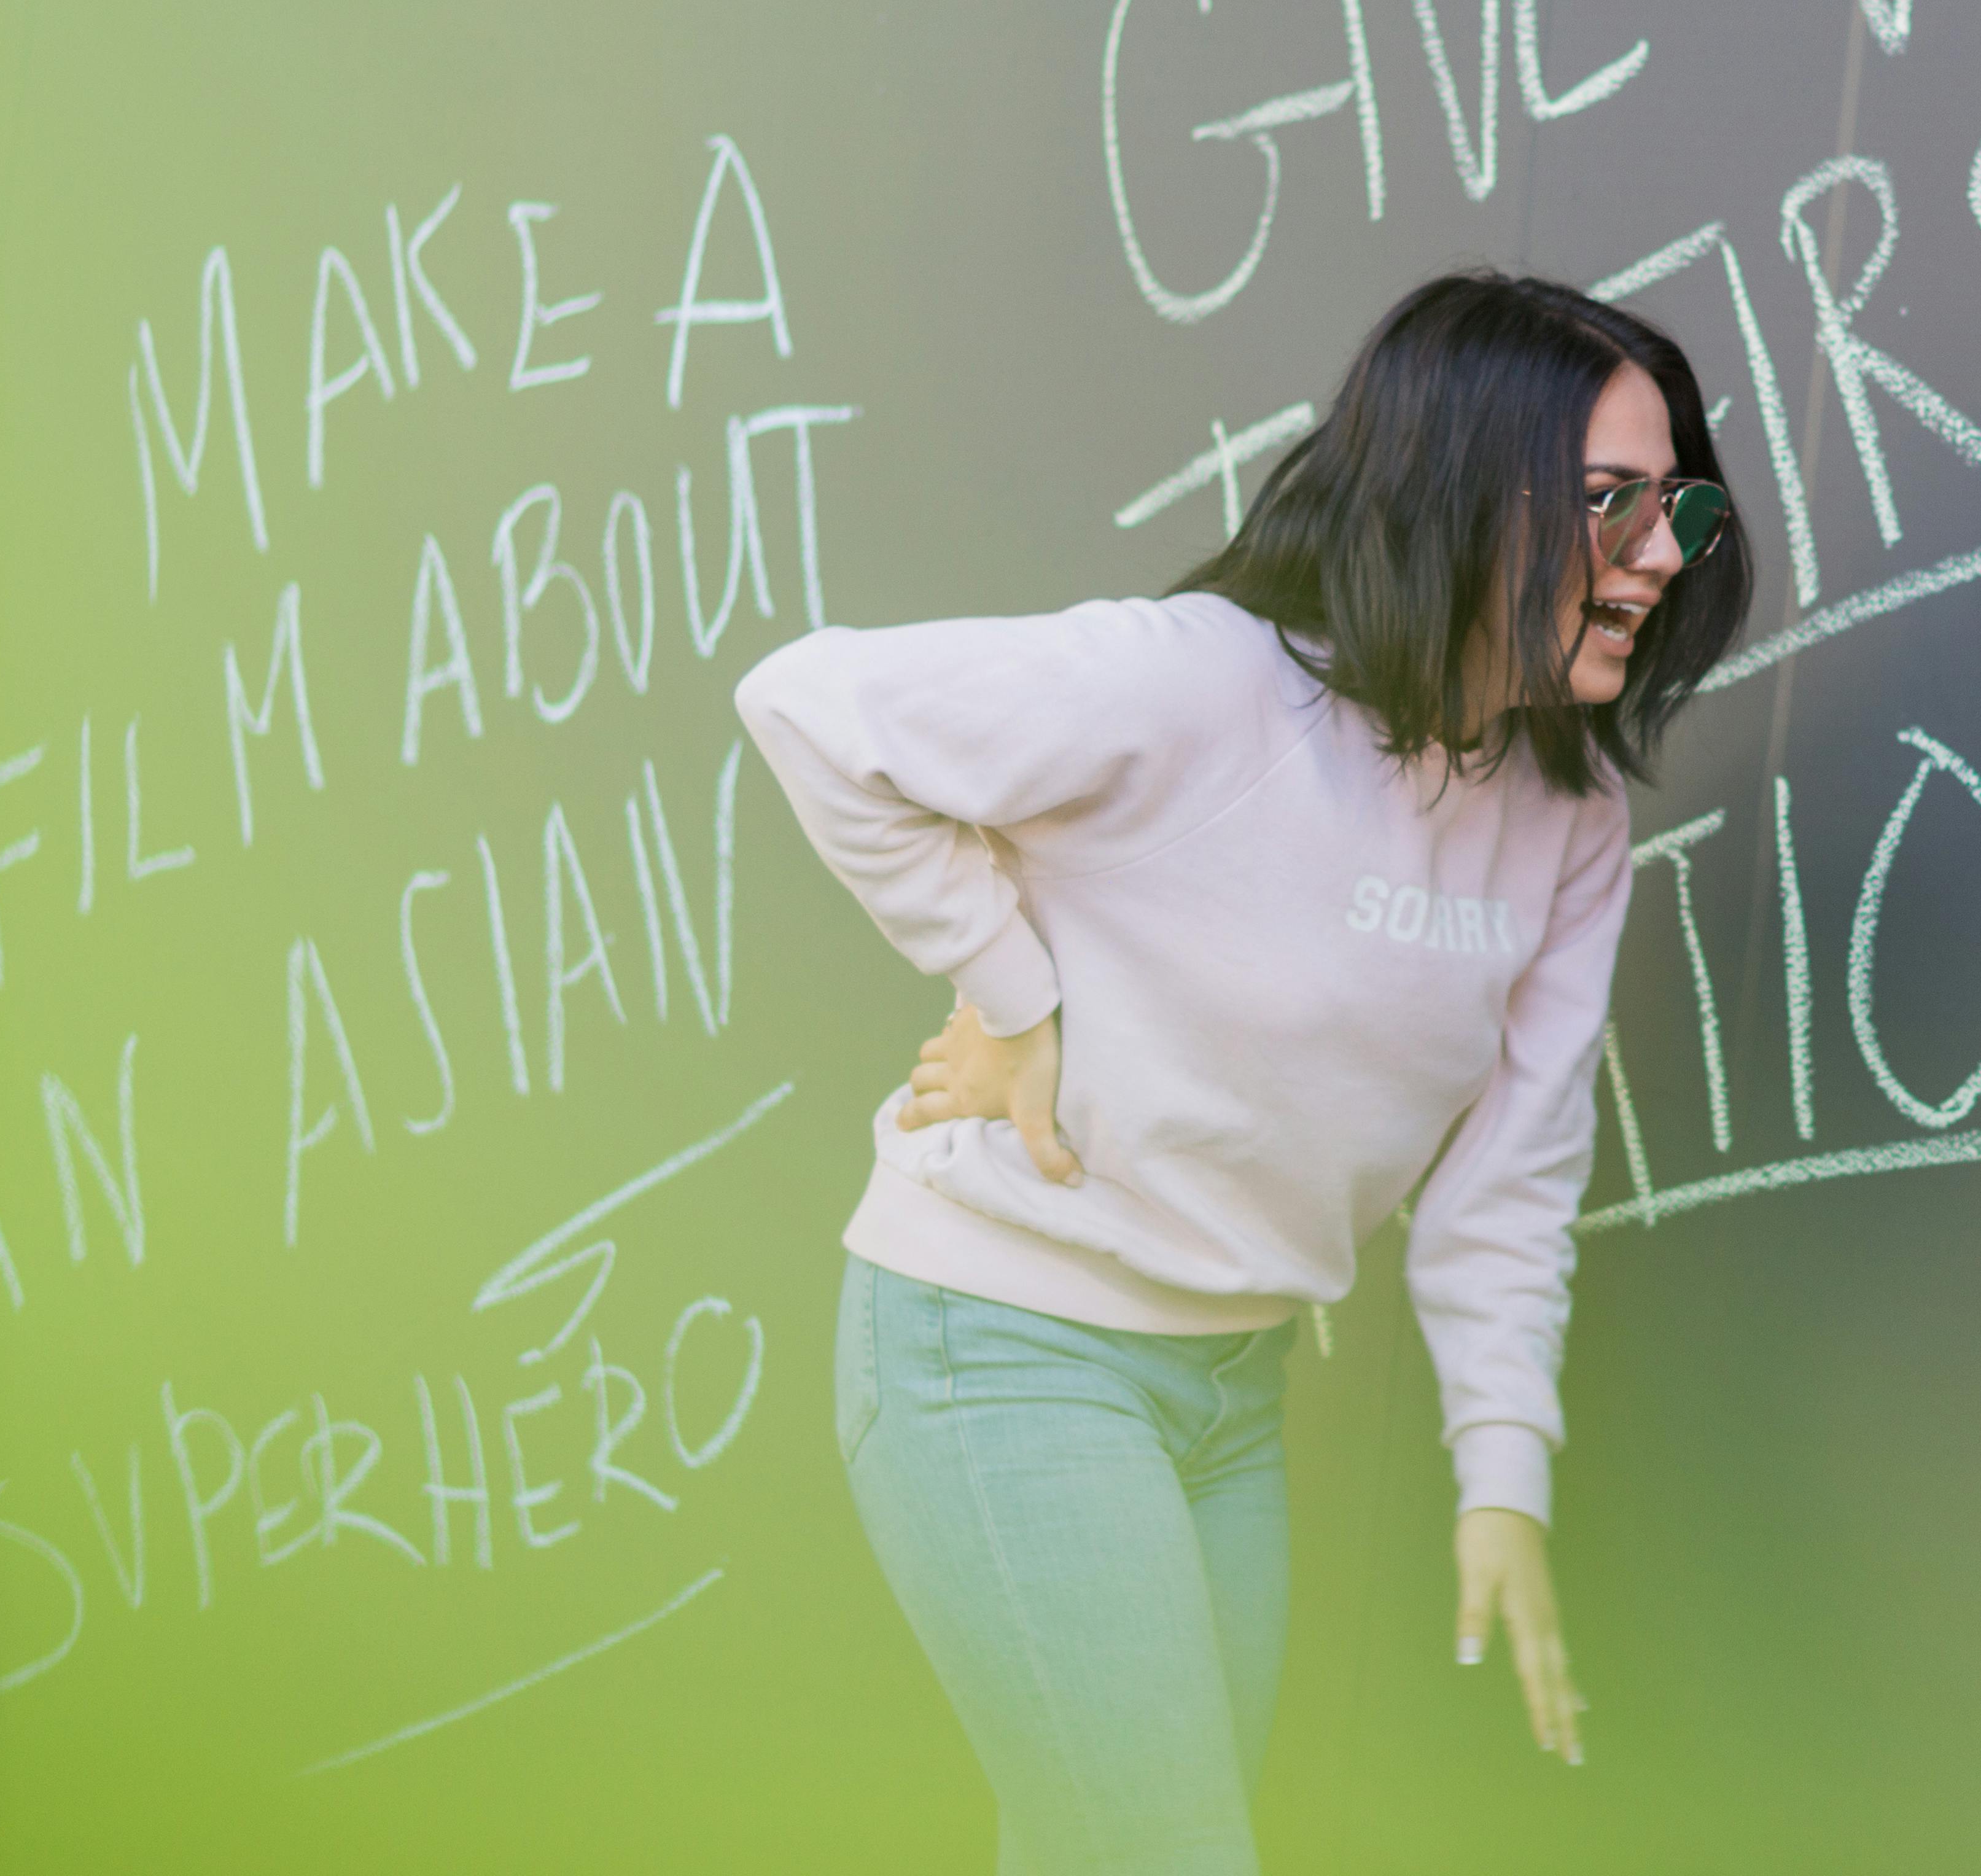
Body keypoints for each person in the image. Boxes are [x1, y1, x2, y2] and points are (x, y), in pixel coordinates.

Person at [735, 271, 1750, 1875]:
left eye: (1677, 507)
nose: (1656, 559)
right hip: (1000, 1348)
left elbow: (1508, 1185)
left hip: (1229, 1393)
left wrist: (1503, 1482)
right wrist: (1013, 990)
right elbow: (806, 706)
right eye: (1611, 505)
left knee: (1096, 1844)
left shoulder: (1568, 823)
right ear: (1458, 493)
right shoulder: (1207, 683)